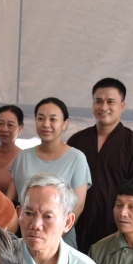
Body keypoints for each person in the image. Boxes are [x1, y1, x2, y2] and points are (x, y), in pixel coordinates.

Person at [67, 78, 133, 254]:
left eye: (110, 102)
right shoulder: (76, 141)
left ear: (122, 105)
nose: (103, 107)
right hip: (76, 229)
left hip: (115, 232)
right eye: (98, 101)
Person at [7, 98, 91, 248]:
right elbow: (10, 202)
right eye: (40, 118)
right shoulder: (22, 157)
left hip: (61, 241)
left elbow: (78, 206)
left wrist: (50, 237)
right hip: (25, 238)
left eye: (53, 119)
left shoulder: (77, 158)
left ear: (65, 123)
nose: (46, 124)